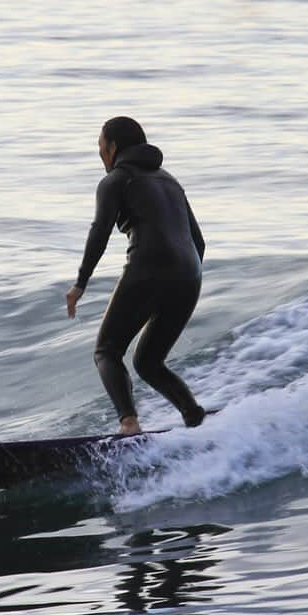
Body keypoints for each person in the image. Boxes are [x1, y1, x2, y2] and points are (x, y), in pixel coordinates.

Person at [66, 117, 208, 436]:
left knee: (106, 351)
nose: (100, 154)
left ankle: (128, 423)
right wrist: (183, 279)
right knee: (148, 362)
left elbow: (99, 232)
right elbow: (199, 242)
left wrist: (80, 284)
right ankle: (194, 417)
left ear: (113, 147)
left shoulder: (116, 180)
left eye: (100, 147)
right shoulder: (170, 181)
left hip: (149, 265)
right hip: (189, 274)